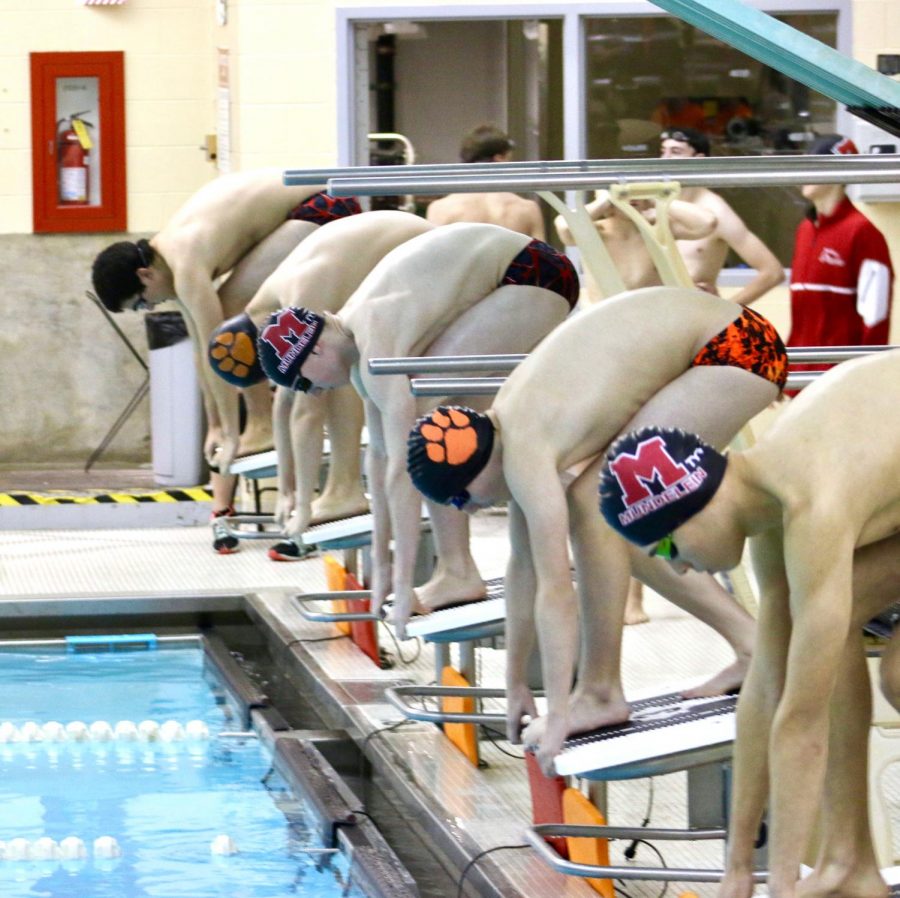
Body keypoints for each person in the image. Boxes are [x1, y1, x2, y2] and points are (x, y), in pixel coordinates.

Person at [406, 286, 788, 775]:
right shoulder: (510, 431)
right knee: (608, 511)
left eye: (462, 498)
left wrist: (562, 711)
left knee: (595, 503)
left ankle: (601, 691)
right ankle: (750, 644)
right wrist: (516, 679)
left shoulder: (525, 452)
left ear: (475, 469)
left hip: (734, 348)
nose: (473, 507)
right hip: (726, 341)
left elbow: (557, 592)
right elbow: (524, 570)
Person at [599, 349, 900, 898]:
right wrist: (738, 868)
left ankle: (841, 864)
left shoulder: (812, 504)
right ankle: (849, 863)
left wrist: (780, 885)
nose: (680, 566)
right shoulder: (768, 499)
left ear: (694, 504)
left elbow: (801, 721)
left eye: (667, 545)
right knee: (828, 629)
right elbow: (766, 689)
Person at [256, 222, 578, 616]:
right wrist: (382, 564)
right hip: (520, 271)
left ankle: (460, 568)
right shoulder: (360, 350)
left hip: (533, 274)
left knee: (430, 432)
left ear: (317, 352)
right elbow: (377, 459)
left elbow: (401, 470)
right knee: (443, 426)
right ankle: (465, 564)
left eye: (306, 385)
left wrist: (402, 580)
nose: (318, 395)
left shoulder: (374, 346)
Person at [90, 169, 361, 552]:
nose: (151, 307)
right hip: (311, 206)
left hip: (324, 205)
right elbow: (204, 355)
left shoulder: (185, 264)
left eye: (141, 302)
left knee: (238, 317)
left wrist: (234, 434)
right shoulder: (172, 260)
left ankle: (262, 425)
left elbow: (220, 346)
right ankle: (262, 425)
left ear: (145, 274)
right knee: (239, 317)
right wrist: (216, 425)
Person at [206, 210, 434, 559]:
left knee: (338, 372)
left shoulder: (302, 294)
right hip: (413, 252)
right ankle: (343, 487)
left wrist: (303, 507)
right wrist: (288, 491)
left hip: (430, 257)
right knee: (332, 370)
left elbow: (306, 411)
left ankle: (346, 488)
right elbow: (286, 402)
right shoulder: (273, 307)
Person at [788, 134, 893, 383]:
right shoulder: (805, 229)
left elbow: (876, 316)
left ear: (837, 172)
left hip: (840, 379)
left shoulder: (862, 232)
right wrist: (785, 365)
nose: (803, 175)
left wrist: (866, 377)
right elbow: (802, 315)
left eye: (812, 167)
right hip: (803, 373)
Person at [659, 127, 785, 304]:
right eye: (663, 152)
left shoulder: (716, 211)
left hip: (695, 317)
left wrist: (725, 312)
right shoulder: (652, 204)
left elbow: (772, 272)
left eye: (675, 152)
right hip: (653, 313)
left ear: (698, 160)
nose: (665, 159)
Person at [554, 191, 717, 306]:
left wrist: (658, 199)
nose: (631, 197)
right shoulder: (594, 231)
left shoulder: (659, 229)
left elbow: (707, 223)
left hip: (652, 315)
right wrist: (605, 199)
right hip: (604, 318)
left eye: (636, 191)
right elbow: (564, 227)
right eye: (623, 193)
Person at [425, 124, 546, 239]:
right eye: (510, 159)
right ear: (500, 159)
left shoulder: (441, 208)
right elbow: (543, 259)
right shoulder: (527, 209)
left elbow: (433, 257)